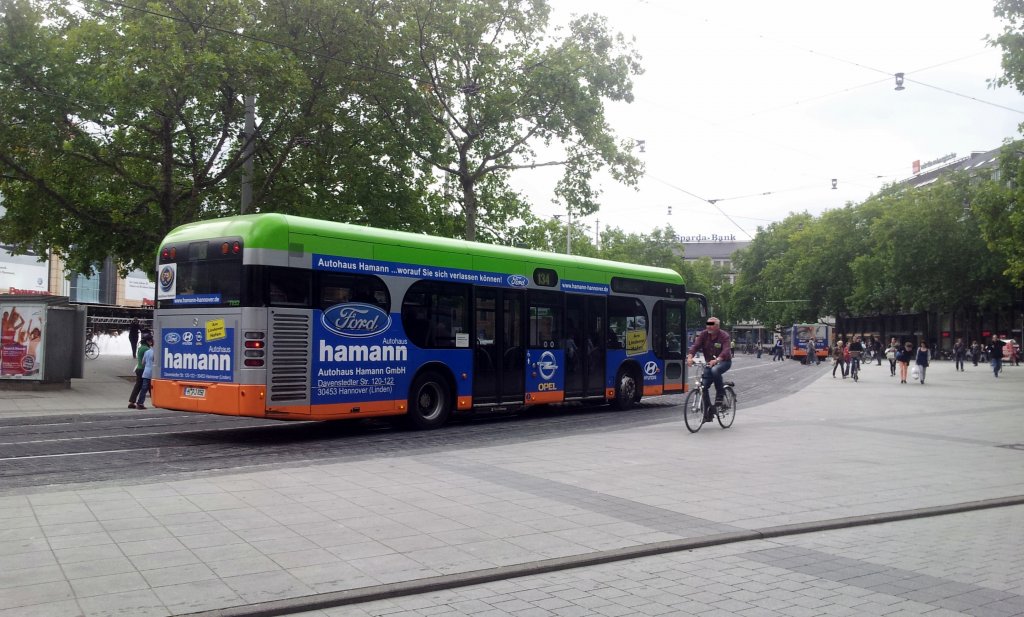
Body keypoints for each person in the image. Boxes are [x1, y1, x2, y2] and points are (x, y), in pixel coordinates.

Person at [687, 316, 733, 422]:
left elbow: (726, 350)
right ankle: (708, 413)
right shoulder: (704, 334)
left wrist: (717, 360)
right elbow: (695, 346)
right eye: (708, 325)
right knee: (703, 387)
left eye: (711, 325)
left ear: (717, 326)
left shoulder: (724, 336)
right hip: (709, 363)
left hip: (724, 362)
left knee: (715, 370)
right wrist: (690, 357)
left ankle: (720, 395)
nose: (709, 327)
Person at [128, 333, 153, 409]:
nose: (151, 342)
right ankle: (140, 403)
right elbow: (146, 361)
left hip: (138, 368)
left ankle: (132, 402)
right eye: (150, 340)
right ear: (147, 341)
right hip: (143, 369)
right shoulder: (147, 349)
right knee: (146, 386)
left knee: (139, 386)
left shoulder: (141, 347)